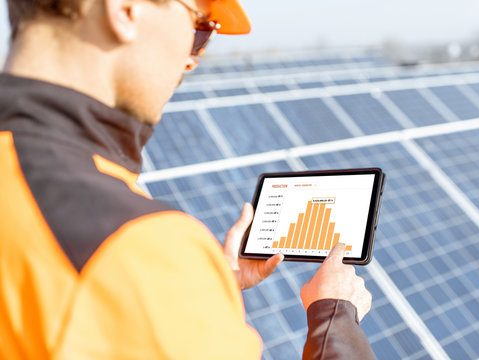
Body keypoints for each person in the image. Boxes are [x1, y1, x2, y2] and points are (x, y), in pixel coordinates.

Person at [0, 0, 375, 358]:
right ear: (125, 9)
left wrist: (207, 292)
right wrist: (334, 317)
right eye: (201, 28)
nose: (193, 60)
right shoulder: (138, 248)